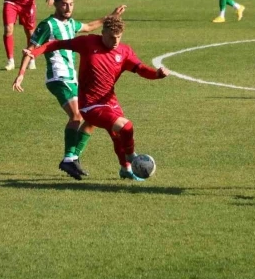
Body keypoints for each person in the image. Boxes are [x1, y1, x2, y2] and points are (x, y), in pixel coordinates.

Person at [24, 16, 169, 181]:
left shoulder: (124, 51)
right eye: (111, 37)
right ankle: (131, 156)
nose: (115, 41)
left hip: (110, 101)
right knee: (126, 126)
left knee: (117, 136)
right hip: (90, 105)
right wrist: (34, 53)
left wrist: (157, 74)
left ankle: (125, 169)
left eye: (119, 37)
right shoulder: (88, 43)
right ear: (103, 33)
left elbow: (141, 69)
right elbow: (56, 44)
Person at [13, 0, 126, 180]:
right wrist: (21, 74)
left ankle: (73, 158)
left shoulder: (72, 24)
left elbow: (90, 27)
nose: (68, 7)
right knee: (76, 115)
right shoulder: (47, 25)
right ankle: (68, 159)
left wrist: (111, 16)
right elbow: (31, 48)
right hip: (58, 77)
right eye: (64, 4)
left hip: (73, 78)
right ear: (55, 3)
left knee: (91, 118)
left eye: (71, 4)